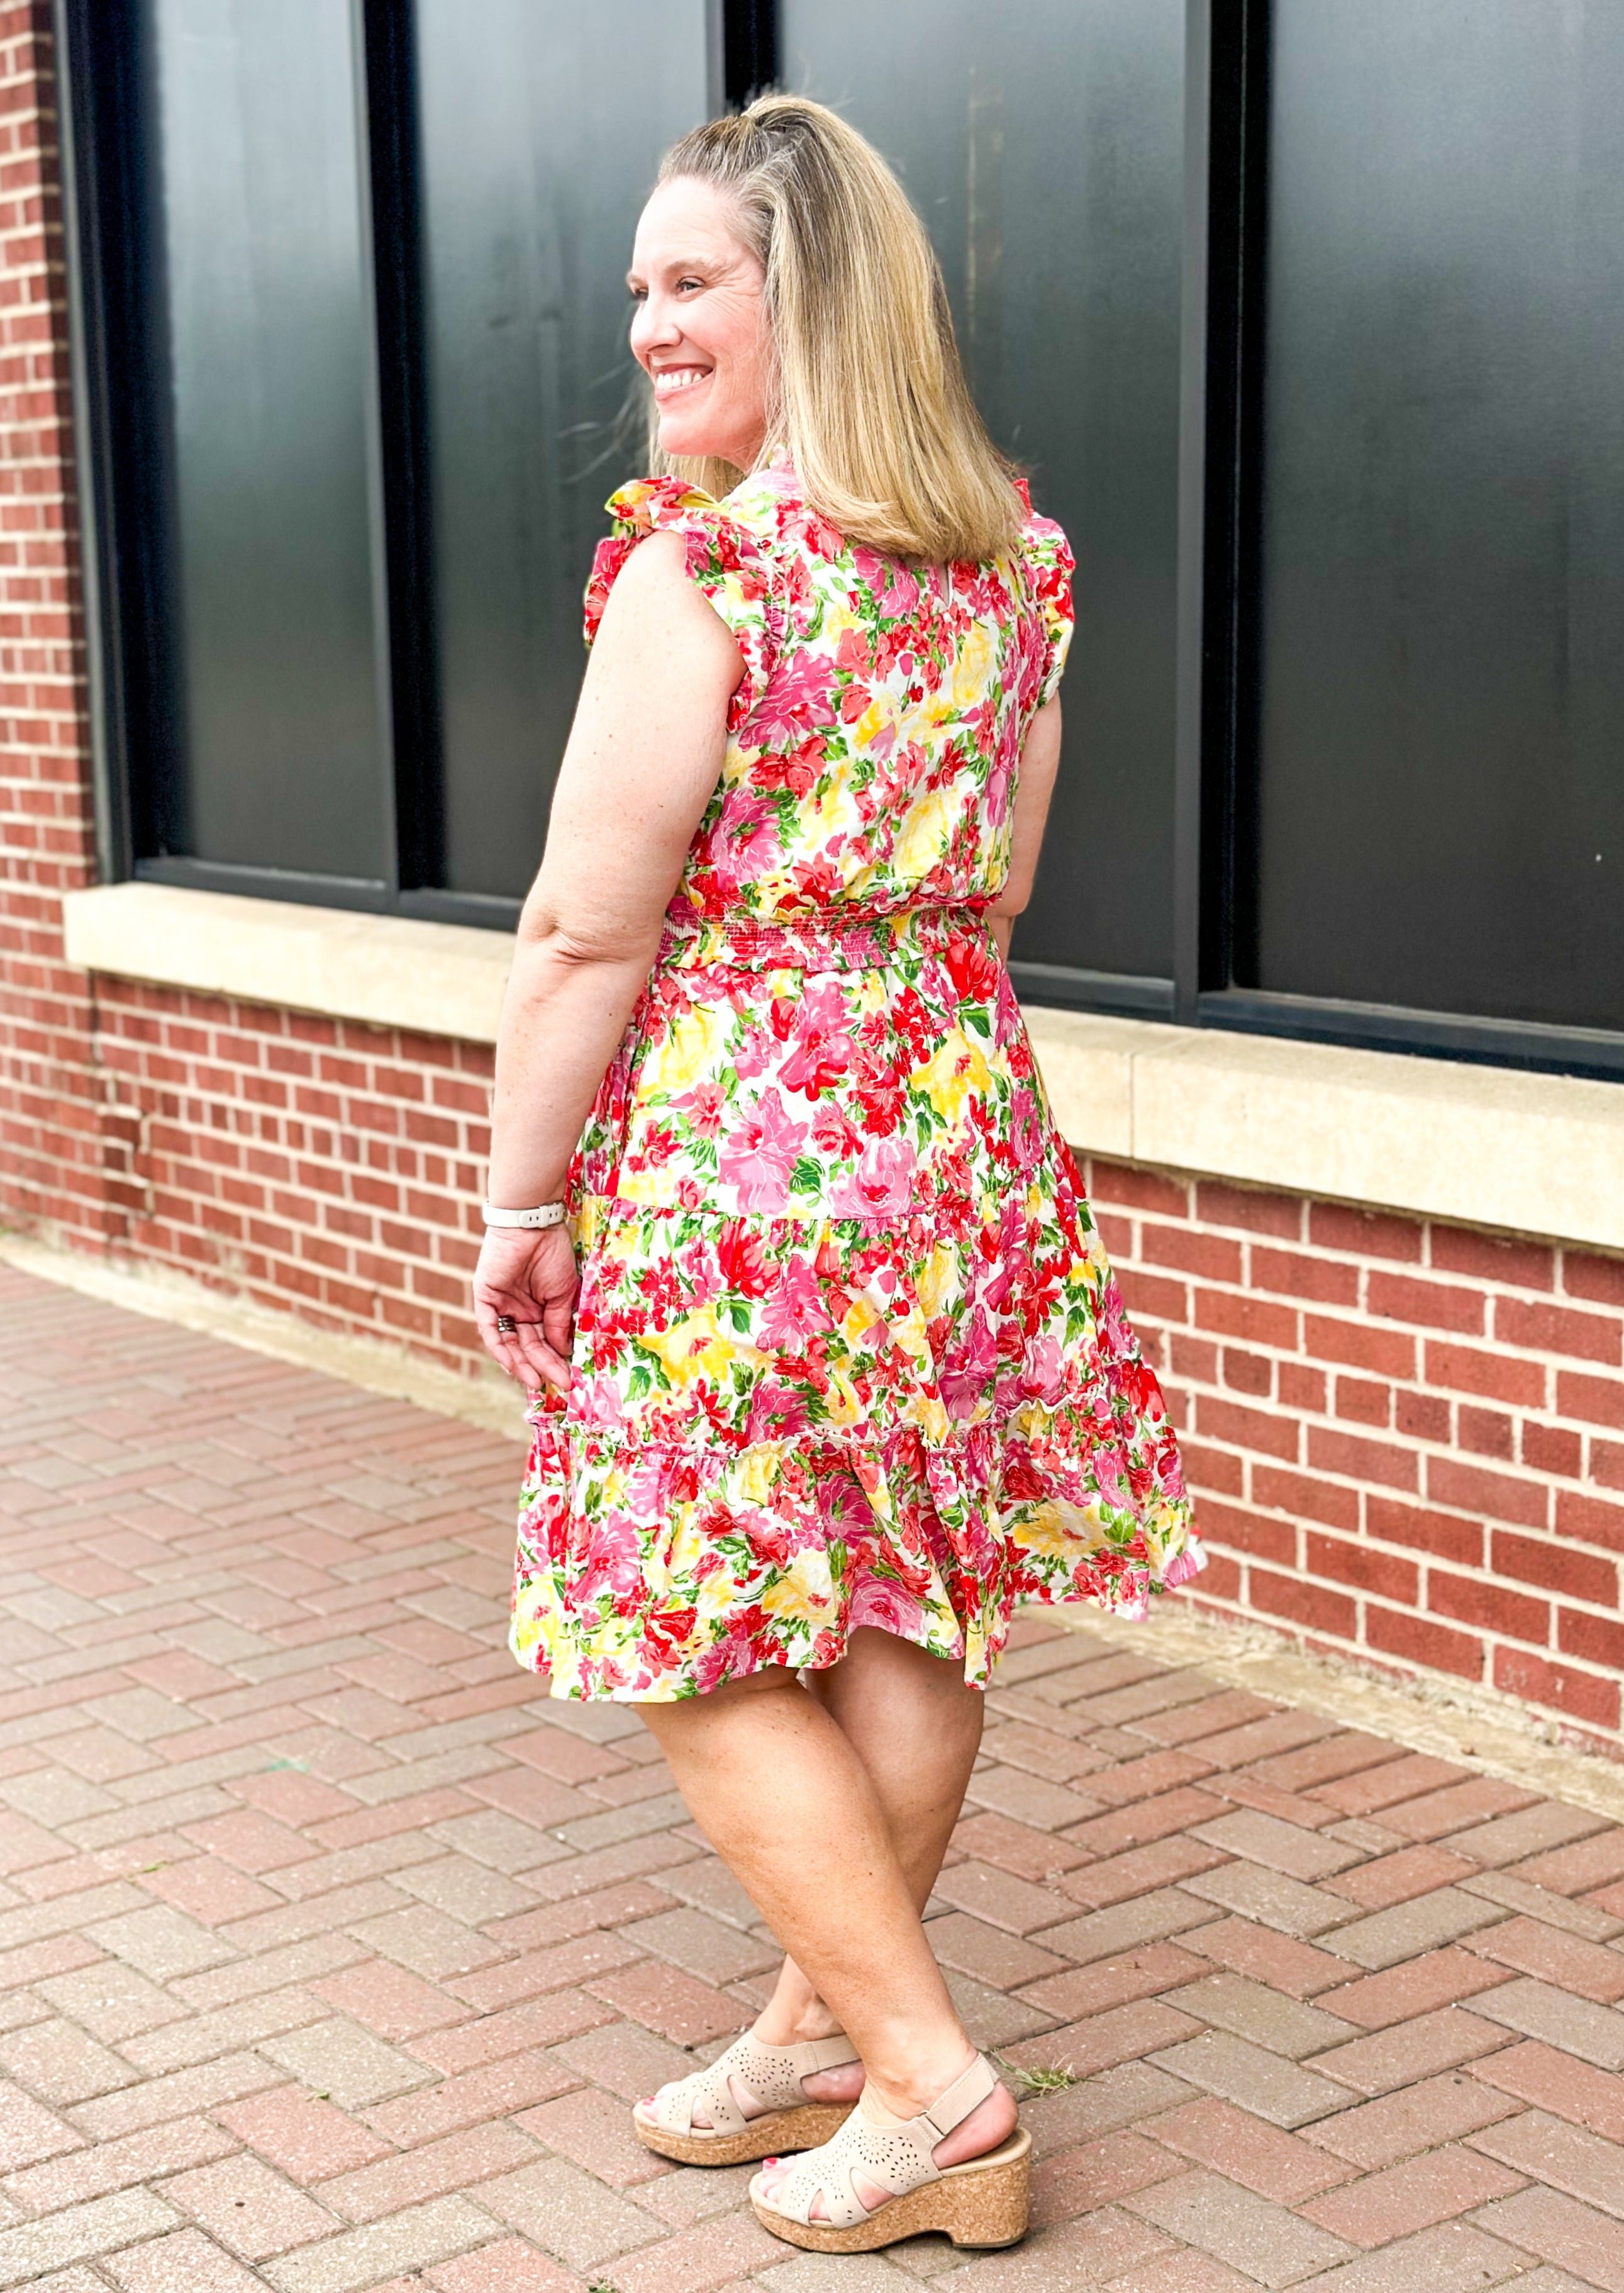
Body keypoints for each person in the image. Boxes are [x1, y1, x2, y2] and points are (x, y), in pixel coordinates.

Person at [471, 94, 1199, 2257]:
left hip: (744, 1149)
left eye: (688, 282)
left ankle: (938, 2093)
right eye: (636, 290)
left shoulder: (711, 569)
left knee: (689, 1623)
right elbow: (1000, 890)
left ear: (811, 297)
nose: (647, 329)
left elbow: (583, 930)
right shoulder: (1014, 572)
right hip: (955, 1141)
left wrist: (519, 1203)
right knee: (908, 1587)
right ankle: (820, 2035)